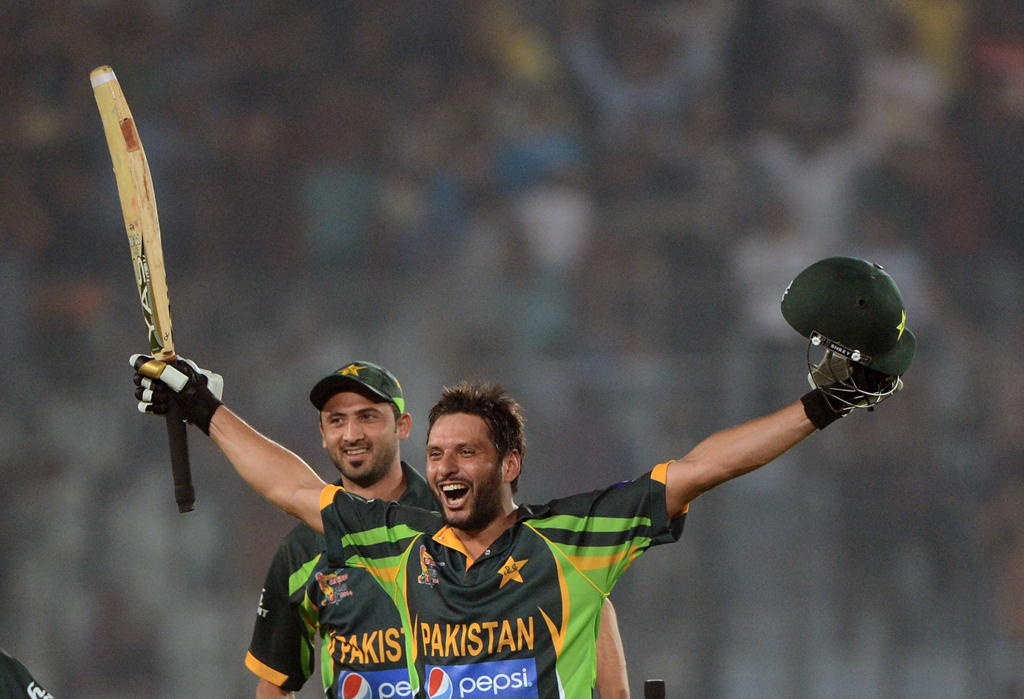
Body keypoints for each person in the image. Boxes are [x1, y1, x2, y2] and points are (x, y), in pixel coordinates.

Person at [133, 257, 915, 698]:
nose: (444, 468)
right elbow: (290, 485)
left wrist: (827, 401)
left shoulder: (574, 538)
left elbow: (704, 466)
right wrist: (201, 404)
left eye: (464, 453)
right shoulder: (395, 541)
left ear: (509, 463)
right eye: (437, 454)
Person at [166, 361, 629, 699]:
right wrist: (204, 408)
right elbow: (275, 683)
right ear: (322, 433)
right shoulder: (305, 547)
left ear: (403, 426)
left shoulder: (455, 510)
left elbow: (574, 588)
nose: (352, 434)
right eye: (337, 420)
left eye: (368, 416)